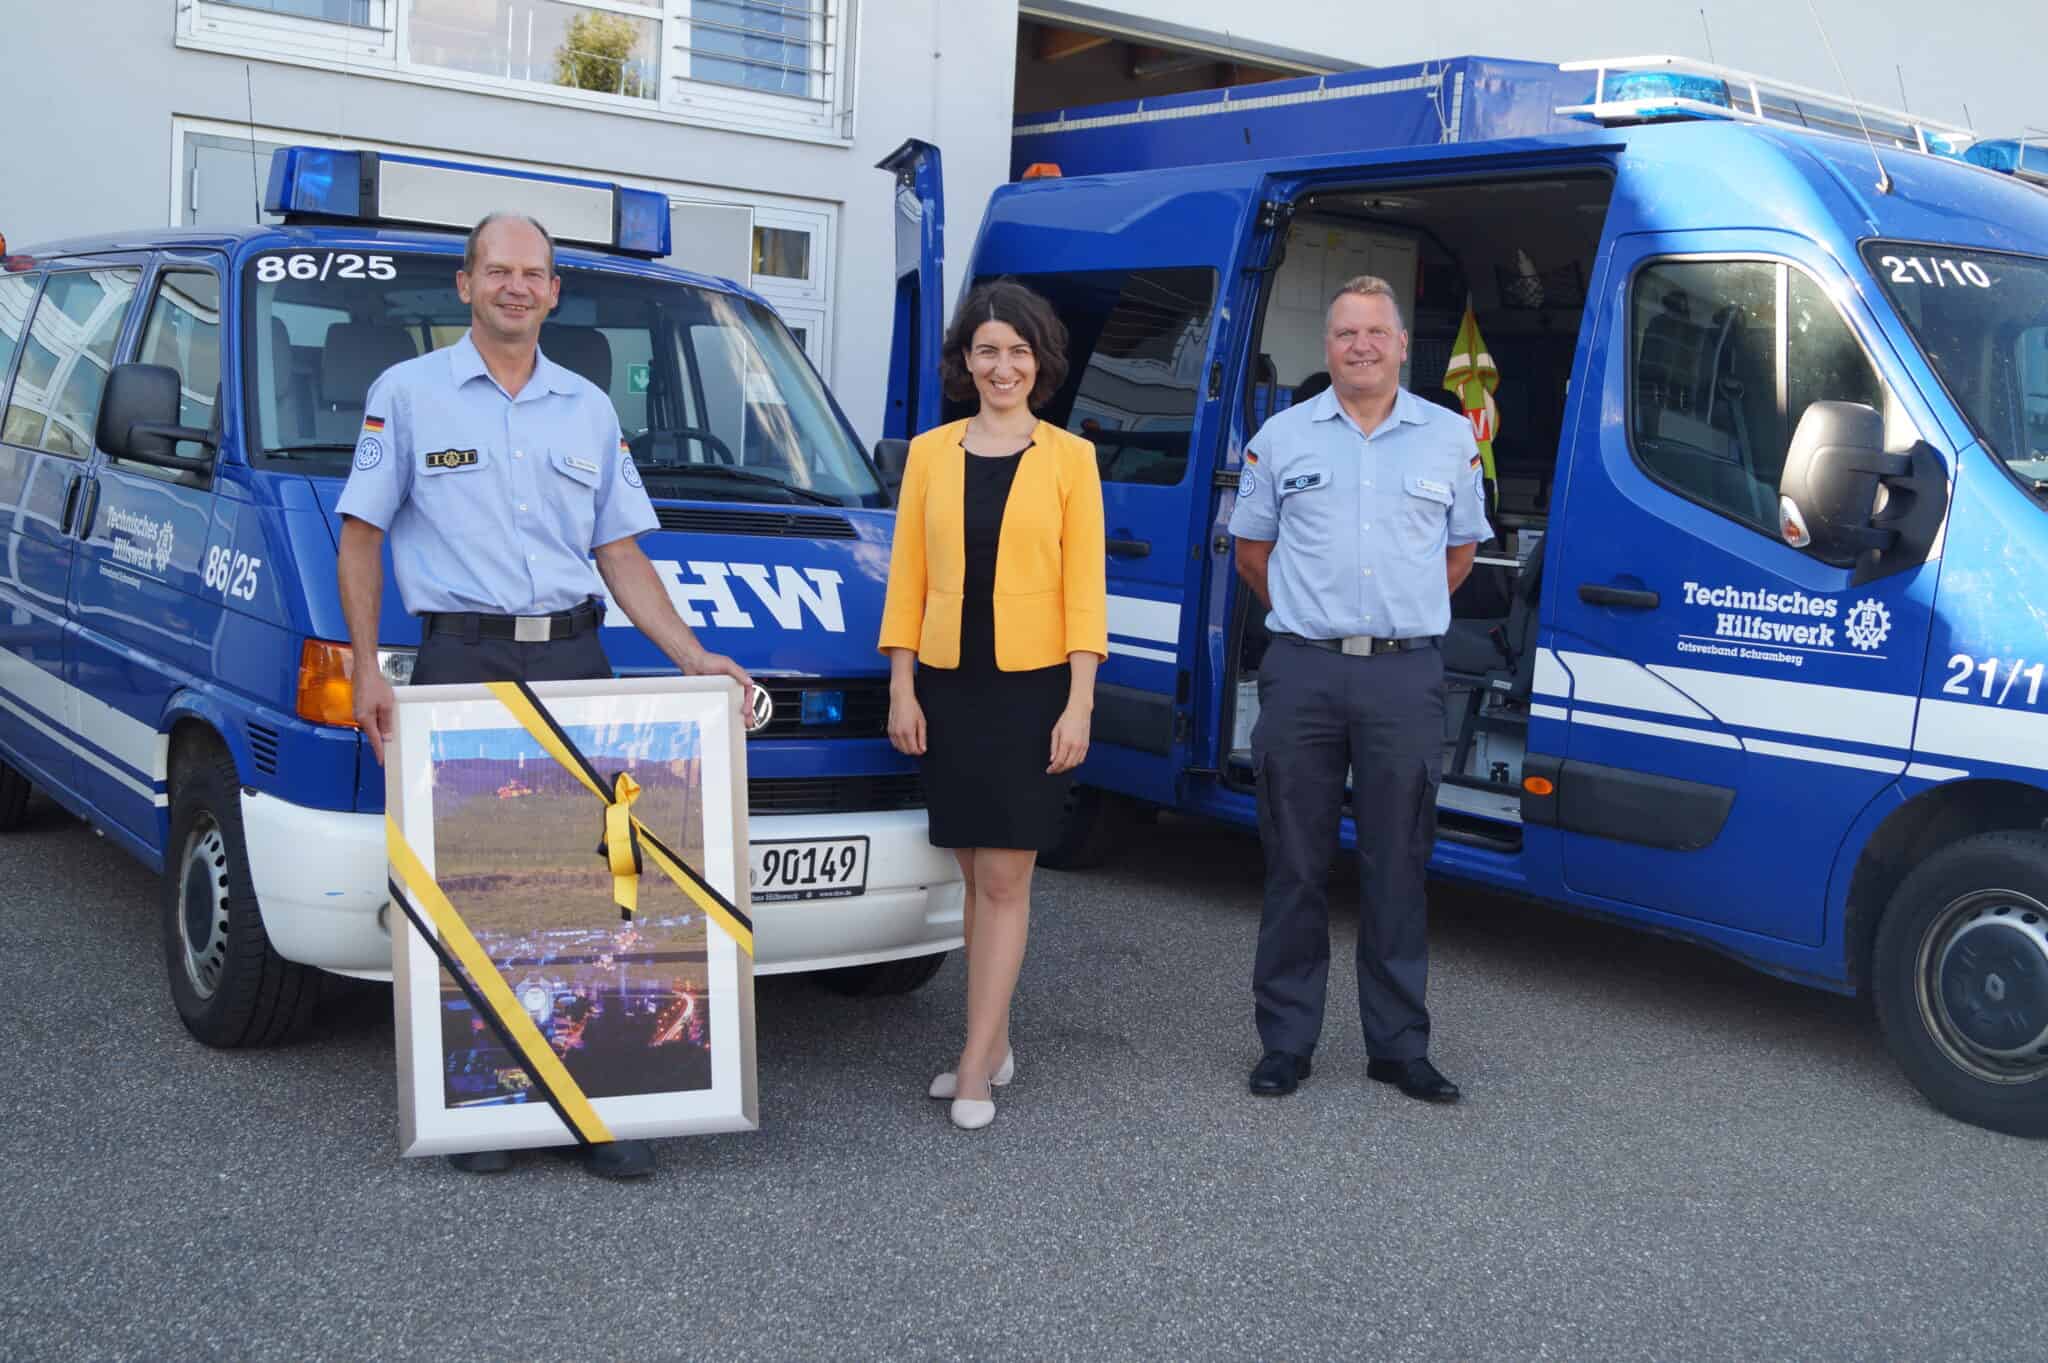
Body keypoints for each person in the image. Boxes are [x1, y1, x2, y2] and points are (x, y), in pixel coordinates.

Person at [335, 211, 753, 1178]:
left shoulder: (588, 409)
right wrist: (364, 666)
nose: (516, 287)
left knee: (594, 884)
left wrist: (693, 657)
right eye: (498, 271)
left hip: (575, 659)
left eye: (533, 273)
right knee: (480, 886)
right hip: (462, 662)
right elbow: (361, 536)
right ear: (466, 284)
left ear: (555, 292)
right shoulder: (407, 394)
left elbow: (620, 552)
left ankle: (599, 1100)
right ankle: (491, 1103)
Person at [1229, 275, 1491, 1104]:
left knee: (1398, 864)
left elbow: (1460, 553)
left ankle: (1399, 1047)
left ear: (1403, 345)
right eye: (1346, 333)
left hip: (1404, 675)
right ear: (1328, 346)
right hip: (1304, 671)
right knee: (1294, 863)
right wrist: (1310, 619)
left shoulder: (1450, 438)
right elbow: (1252, 552)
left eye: (1377, 332)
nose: (1362, 346)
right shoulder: (1281, 437)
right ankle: (1286, 1043)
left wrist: (1396, 620)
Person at [877, 278, 1107, 1131]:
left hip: (1033, 688)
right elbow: (906, 580)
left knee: (1007, 876)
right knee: (974, 876)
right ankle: (996, 1035)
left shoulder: (1071, 458)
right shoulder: (929, 453)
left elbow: (1086, 593)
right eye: (986, 350)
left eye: (1017, 351)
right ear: (964, 361)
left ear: (1039, 362)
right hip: (948, 684)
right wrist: (902, 685)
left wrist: (1079, 704)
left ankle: (974, 1062)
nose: (1002, 366)